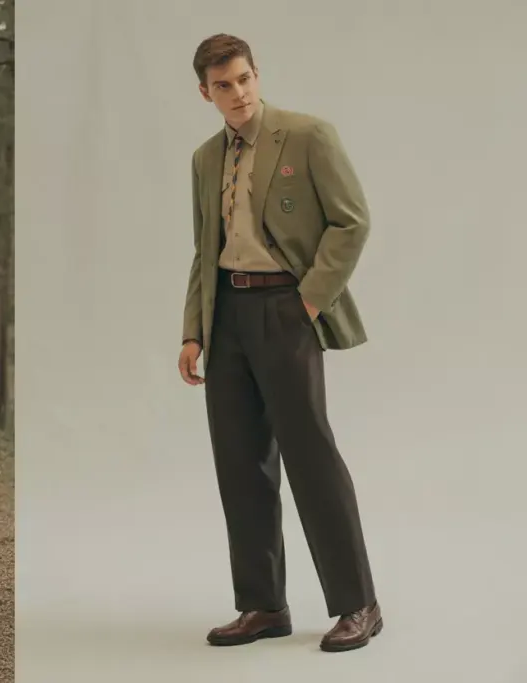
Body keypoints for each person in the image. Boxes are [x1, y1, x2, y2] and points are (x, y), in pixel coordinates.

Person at [178, 34, 382, 653]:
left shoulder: (307, 136)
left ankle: (358, 605)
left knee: (310, 455)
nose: (237, 94)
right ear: (205, 92)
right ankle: (263, 605)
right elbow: (203, 249)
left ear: (256, 75)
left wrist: (309, 302)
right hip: (228, 316)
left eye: (244, 79)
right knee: (240, 463)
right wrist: (193, 330)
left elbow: (353, 221)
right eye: (223, 85)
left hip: (286, 309)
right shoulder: (204, 158)